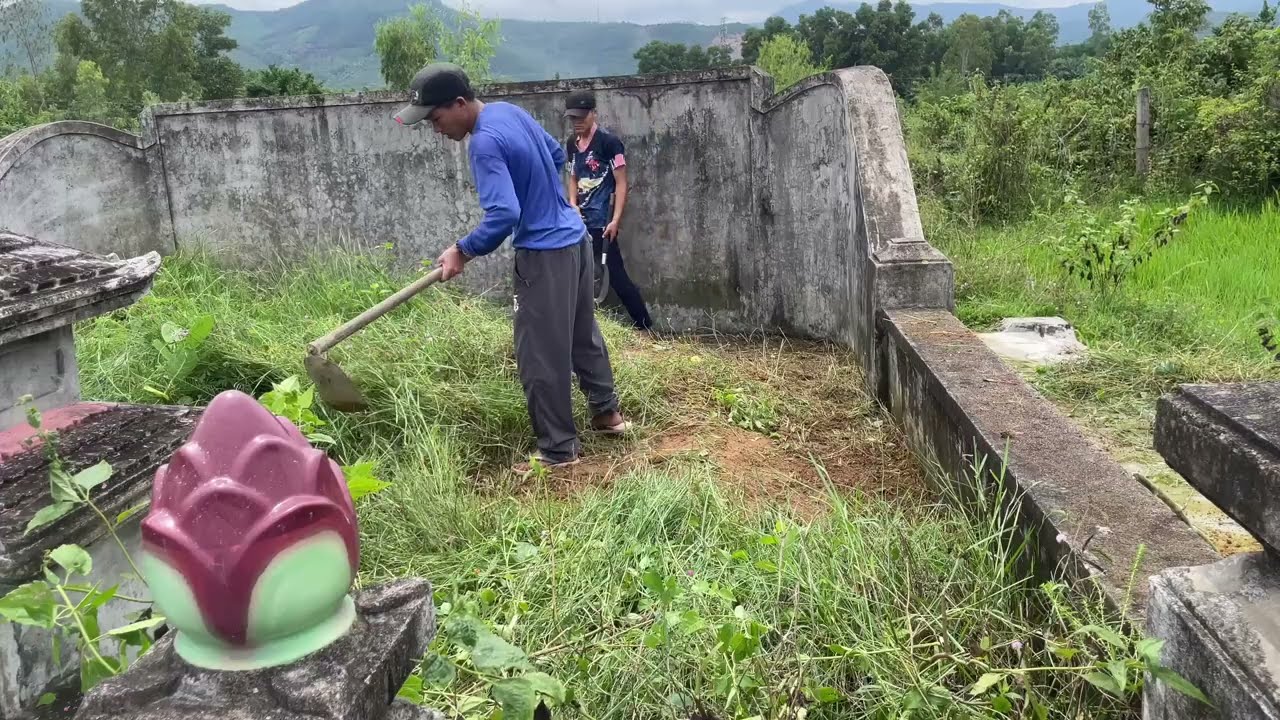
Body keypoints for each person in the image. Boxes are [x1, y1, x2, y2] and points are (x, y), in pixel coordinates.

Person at [394, 63, 630, 473]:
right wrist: (541, 195)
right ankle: (607, 415)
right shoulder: (508, 111)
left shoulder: (483, 143)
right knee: (582, 335)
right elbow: (557, 155)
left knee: (539, 354)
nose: (435, 128)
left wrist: (461, 250)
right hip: (574, 240)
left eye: (435, 118)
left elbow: (503, 213)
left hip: (543, 255)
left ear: (460, 103)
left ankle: (558, 450)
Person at [563, 91, 653, 331]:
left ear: (594, 114)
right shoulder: (572, 144)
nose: (577, 122)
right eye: (573, 118)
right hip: (579, 223)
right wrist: (572, 204)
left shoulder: (609, 143)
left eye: (582, 116)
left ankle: (644, 325)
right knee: (576, 275)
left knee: (616, 275)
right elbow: (572, 177)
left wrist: (615, 220)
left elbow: (622, 183)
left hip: (603, 224)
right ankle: (577, 327)